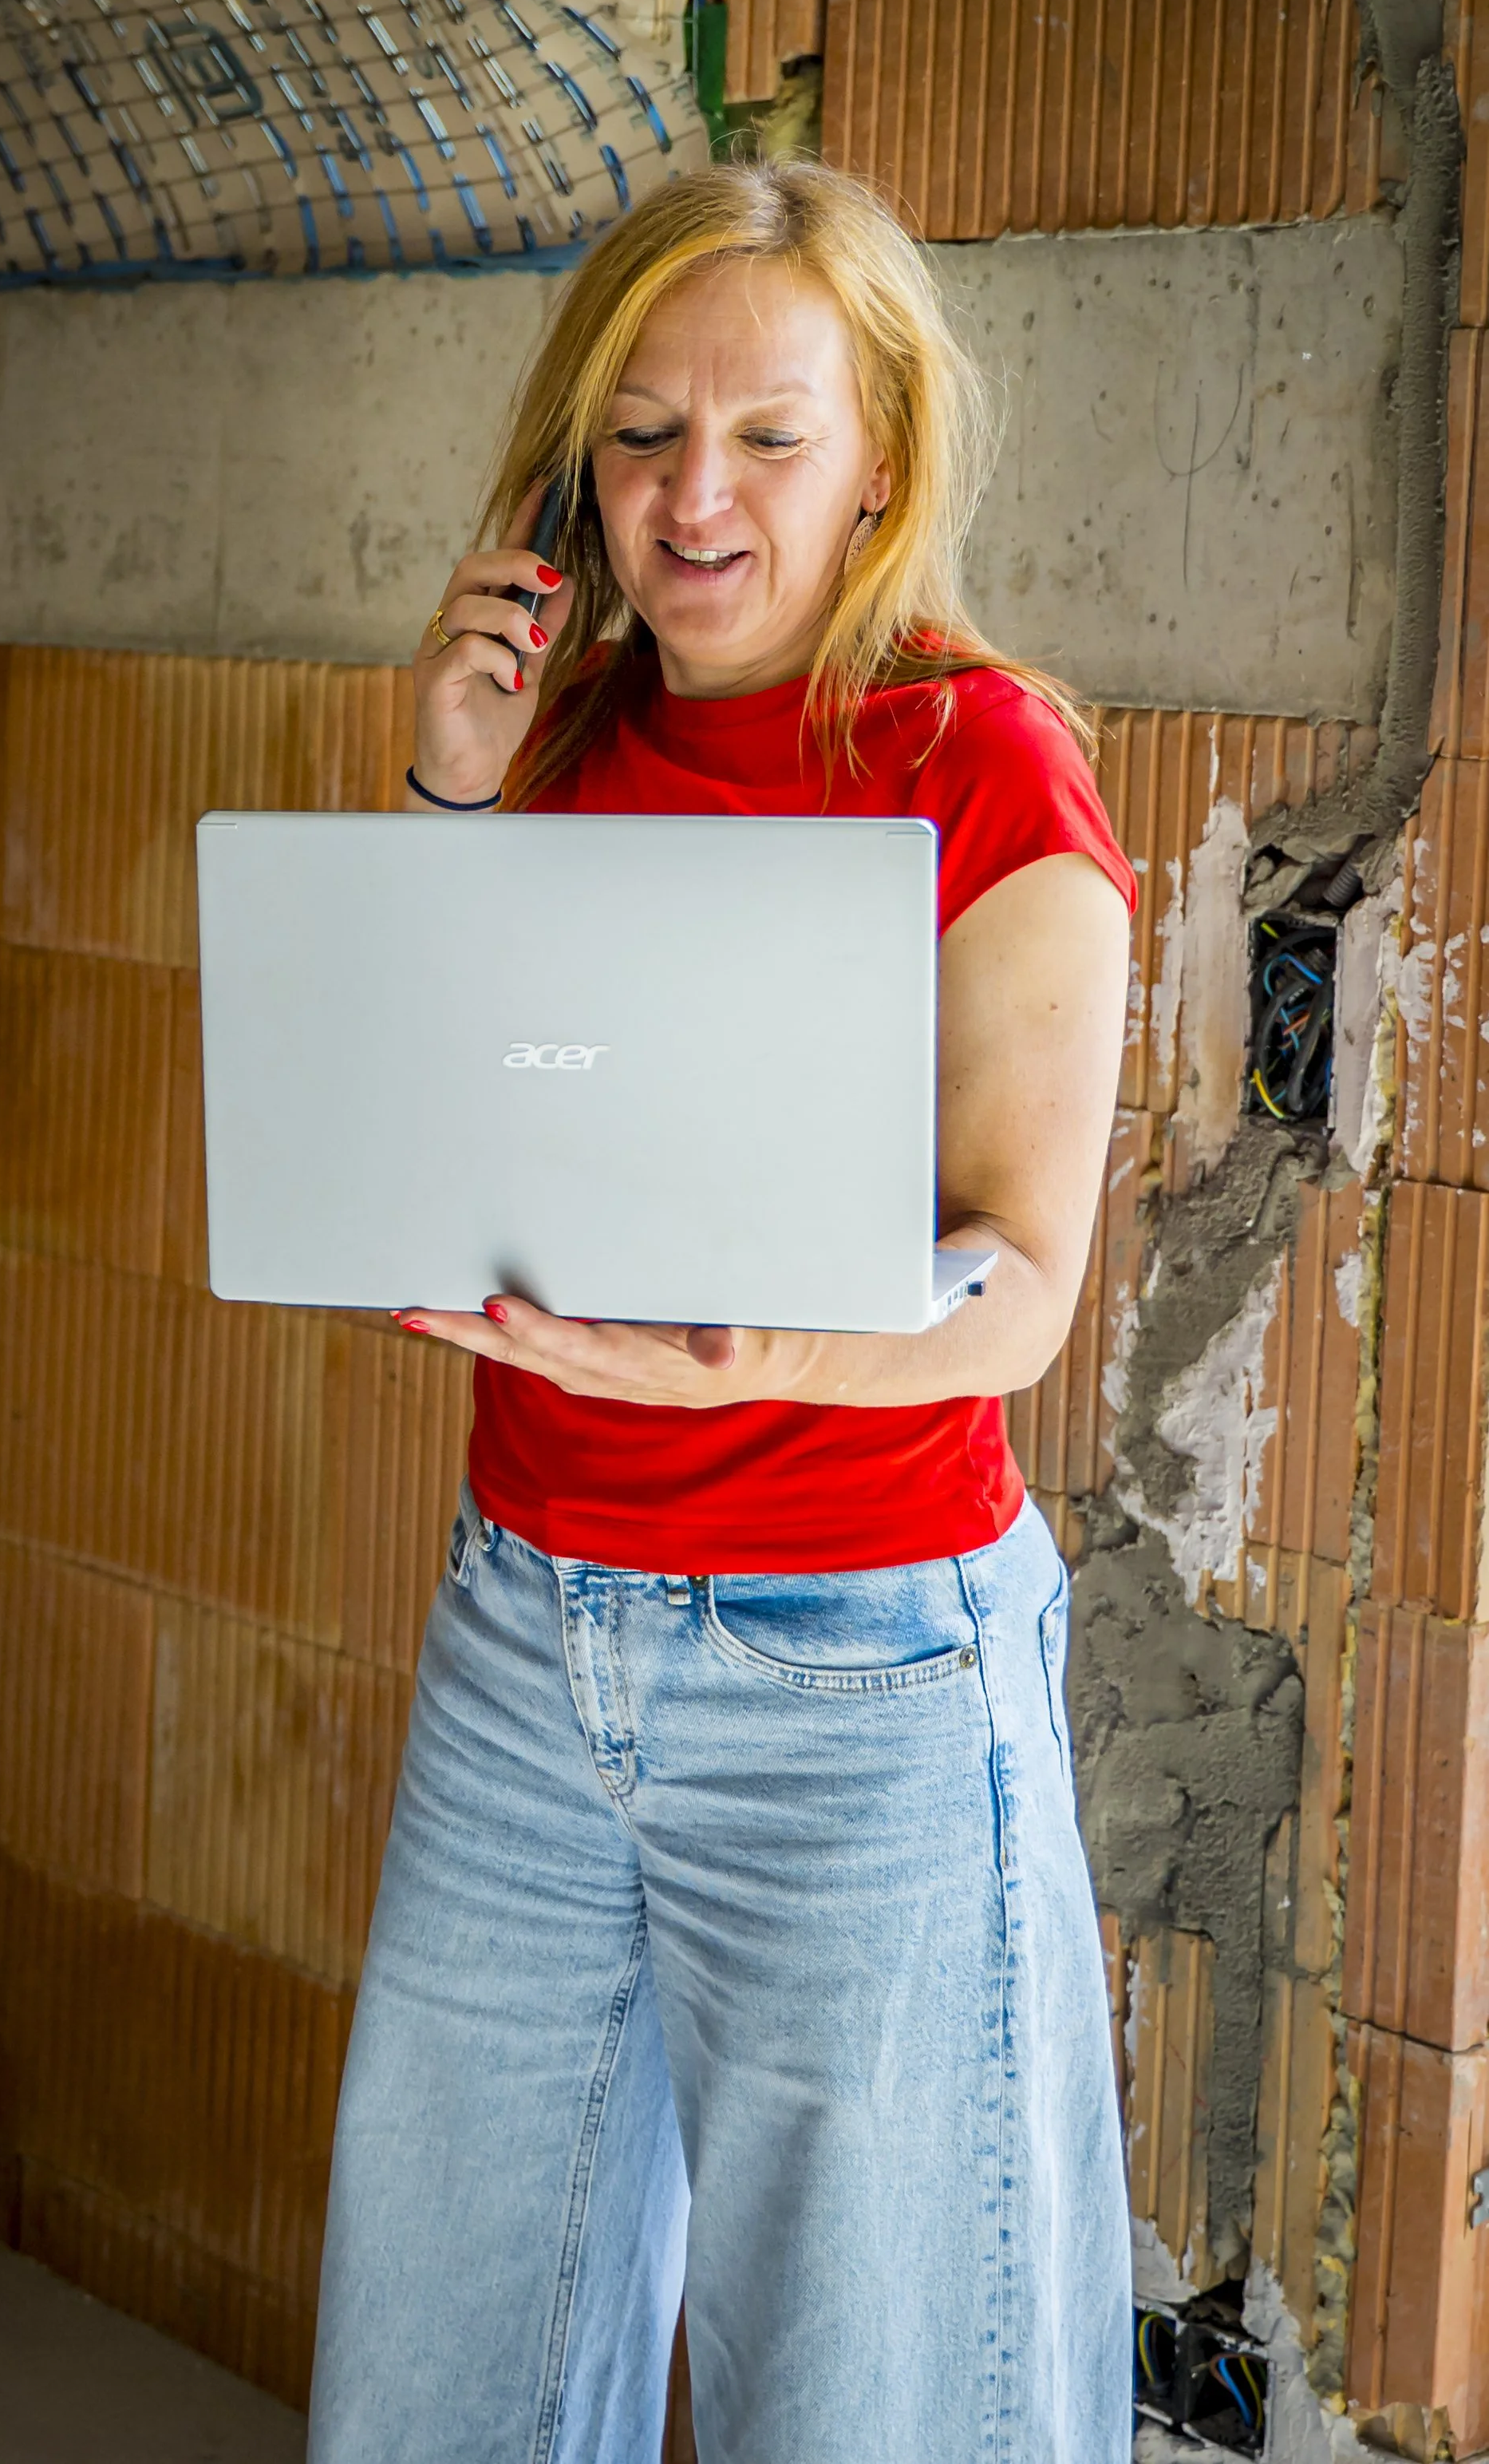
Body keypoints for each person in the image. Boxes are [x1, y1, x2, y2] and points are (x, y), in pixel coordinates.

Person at [306, 160, 1136, 2464]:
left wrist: (777, 1339)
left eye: (768, 434)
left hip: (853, 1678)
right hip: (524, 1639)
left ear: (880, 452)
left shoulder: (985, 764)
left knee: (876, 2404)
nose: (694, 493)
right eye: (643, 430)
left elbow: (1015, 1282)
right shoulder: (552, 737)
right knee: (434, 2380)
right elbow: (401, 1131)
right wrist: (439, 792)